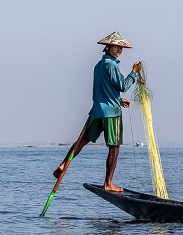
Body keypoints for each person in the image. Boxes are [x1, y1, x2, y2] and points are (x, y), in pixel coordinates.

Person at [53, 31, 142, 192]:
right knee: (114, 148)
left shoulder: (99, 65)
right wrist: (133, 73)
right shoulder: (112, 65)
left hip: (97, 110)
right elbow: (123, 86)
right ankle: (108, 183)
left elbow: (103, 89)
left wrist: (119, 100)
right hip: (111, 113)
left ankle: (63, 164)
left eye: (121, 48)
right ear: (108, 47)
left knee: (82, 141)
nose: (119, 51)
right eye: (116, 47)